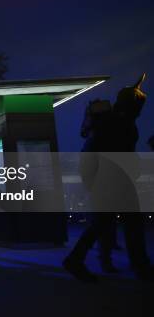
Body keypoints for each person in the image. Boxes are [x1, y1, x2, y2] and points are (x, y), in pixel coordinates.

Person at [64, 74, 153, 282]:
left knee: (109, 224)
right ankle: (140, 265)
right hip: (113, 181)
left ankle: (77, 260)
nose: (140, 109)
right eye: (139, 104)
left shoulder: (118, 121)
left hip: (111, 180)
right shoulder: (119, 122)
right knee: (127, 224)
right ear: (130, 104)